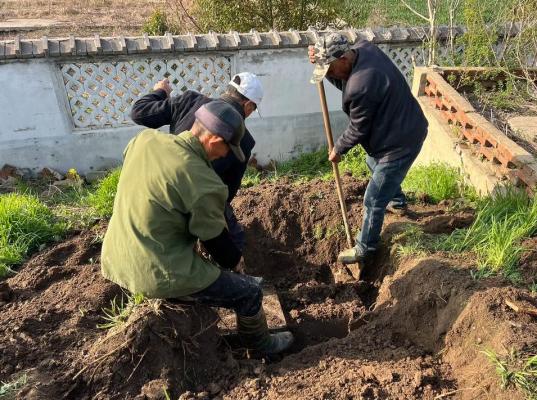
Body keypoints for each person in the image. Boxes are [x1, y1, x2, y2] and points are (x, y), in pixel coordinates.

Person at [101, 100, 293, 354]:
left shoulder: (144, 141)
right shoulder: (204, 182)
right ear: (215, 142)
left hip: (116, 256)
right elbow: (220, 250)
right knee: (249, 293)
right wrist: (236, 264)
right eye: (227, 149)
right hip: (156, 271)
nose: (225, 156)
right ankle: (261, 346)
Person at [309, 33, 429, 265]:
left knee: (373, 199)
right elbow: (341, 77)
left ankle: (365, 249)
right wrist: (318, 62)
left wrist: (338, 149)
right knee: (372, 163)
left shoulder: (361, 85)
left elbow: (357, 129)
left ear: (343, 58)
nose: (330, 75)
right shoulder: (364, 49)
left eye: (330, 69)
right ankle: (397, 201)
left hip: (400, 142)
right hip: (399, 127)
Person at [130, 72, 264, 251]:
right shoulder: (243, 141)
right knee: (234, 242)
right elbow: (226, 194)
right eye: (253, 109)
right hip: (198, 200)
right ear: (248, 105)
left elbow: (139, 113)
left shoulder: (188, 100)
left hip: (159, 188)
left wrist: (161, 91)